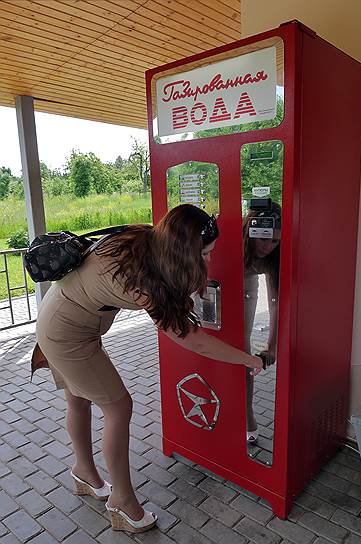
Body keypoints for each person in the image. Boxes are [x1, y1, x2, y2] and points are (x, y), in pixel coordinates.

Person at [31, 204, 263, 534]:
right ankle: (122, 503)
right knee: (118, 406)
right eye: (206, 254)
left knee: (79, 399)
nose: (209, 261)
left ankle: (83, 470)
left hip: (59, 316)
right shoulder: (138, 279)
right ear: (183, 252)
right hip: (66, 334)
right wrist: (247, 358)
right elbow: (192, 340)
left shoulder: (146, 238)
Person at [243, 199, 281, 444]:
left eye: (275, 240)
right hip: (214, 288)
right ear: (249, 230)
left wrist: (272, 344)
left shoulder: (274, 257)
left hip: (247, 286)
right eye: (263, 238)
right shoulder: (232, 236)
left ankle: (247, 417)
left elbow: (275, 299)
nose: (268, 246)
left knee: (242, 349)